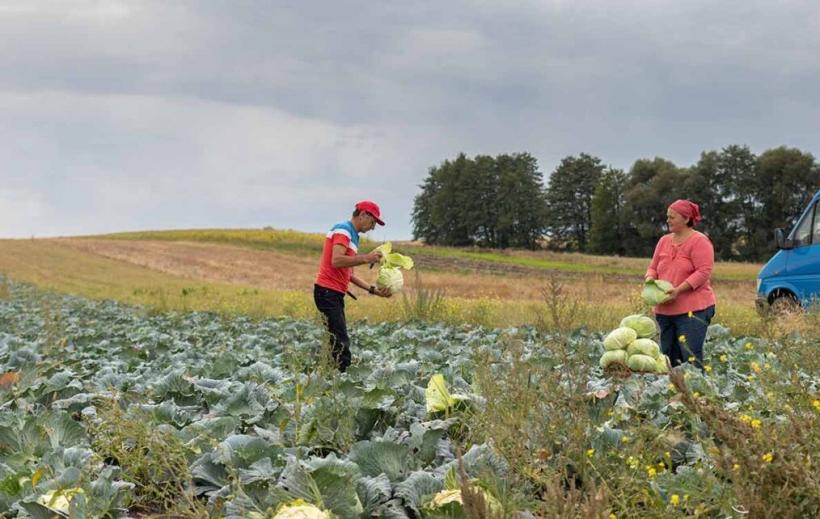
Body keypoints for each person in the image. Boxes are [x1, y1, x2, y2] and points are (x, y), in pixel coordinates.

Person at [314, 200, 391, 372]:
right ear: (363, 214)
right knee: (341, 343)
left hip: (332, 293)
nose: (373, 227)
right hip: (327, 291)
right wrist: (366, 258)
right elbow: (336, 260)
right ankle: (340, 382)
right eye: (373, 222)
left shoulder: (353, 236)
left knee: (336, 341)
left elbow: (349, 274)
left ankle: (331, 378)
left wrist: (375, 291)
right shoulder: (344, 229)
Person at [645, 199, 716, 370]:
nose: (668, 220)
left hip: (693, 310)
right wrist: (649, 280)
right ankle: (674, 392)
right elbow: (653, 268)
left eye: (672, 217)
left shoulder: (699, 241)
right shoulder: (664, 241)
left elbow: (703, 272)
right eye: (667, 217)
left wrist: (678, 290)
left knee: (690, 357)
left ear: (686, 219)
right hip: (665, 310)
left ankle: (696, 393)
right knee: (668, 357)